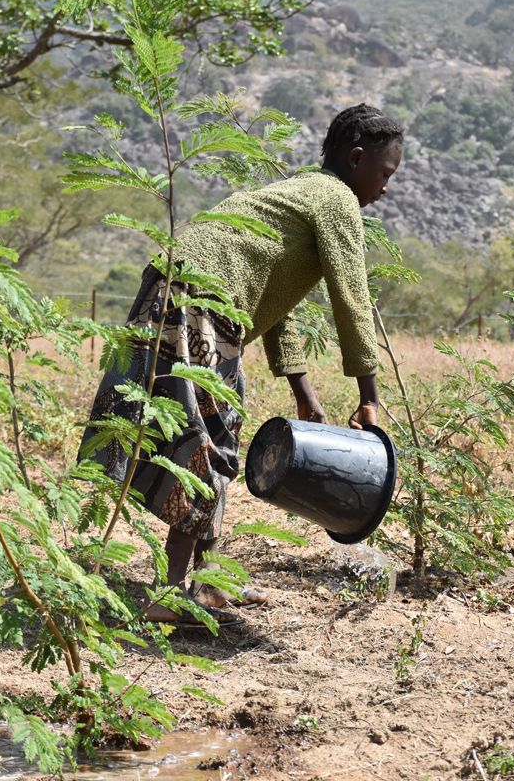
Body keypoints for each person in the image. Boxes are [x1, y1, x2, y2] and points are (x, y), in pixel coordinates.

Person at [82, 103, 404, 626]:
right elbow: (352, 296)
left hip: (171, 289)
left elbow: (278, 305)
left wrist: (302, 389)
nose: (386, 187)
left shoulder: (297, 195)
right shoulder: (337, 199)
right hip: (204, 303)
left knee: (208, 426)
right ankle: (171, 593)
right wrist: (368, 396)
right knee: (206, 438)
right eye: (385, 174)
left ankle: (209, 584)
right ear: (356, 158)